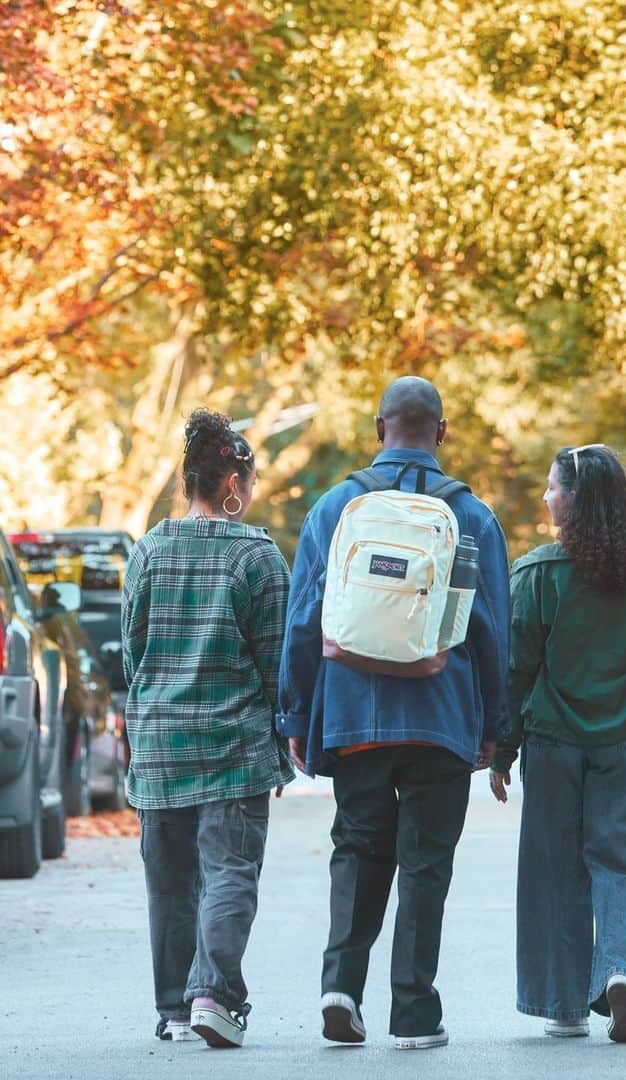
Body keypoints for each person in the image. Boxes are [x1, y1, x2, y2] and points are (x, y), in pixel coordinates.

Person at [277, 376, 510, 1051]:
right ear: (441, 431)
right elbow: (491, 628)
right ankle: (413, 1012)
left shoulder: (333, 509)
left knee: (357, 845)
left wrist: (297, 716)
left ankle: (340, 987)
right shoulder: (472, 517)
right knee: (426, 863)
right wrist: (493, 725)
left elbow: (302, 623)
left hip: (354, 712)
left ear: (380, 428)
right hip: (442, 714)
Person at [489, 443, 626, 1044]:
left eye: (555, 488)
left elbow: (516, 672)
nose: (548, 496)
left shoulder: (537, 574)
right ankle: (622, 972)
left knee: (556, 871)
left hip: (554, 745)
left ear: (575, 501)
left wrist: (502, 751)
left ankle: (564, 1006)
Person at [121, 408, 293, 1048]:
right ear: (233, 484)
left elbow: (132, 655)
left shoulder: (148, 551)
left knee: (168, 881)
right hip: (233, 746)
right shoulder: (257, 557)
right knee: (229, 871)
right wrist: (285, 743)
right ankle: (212, 996)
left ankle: (173, 1008)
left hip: (160, 744)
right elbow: (279, 665)